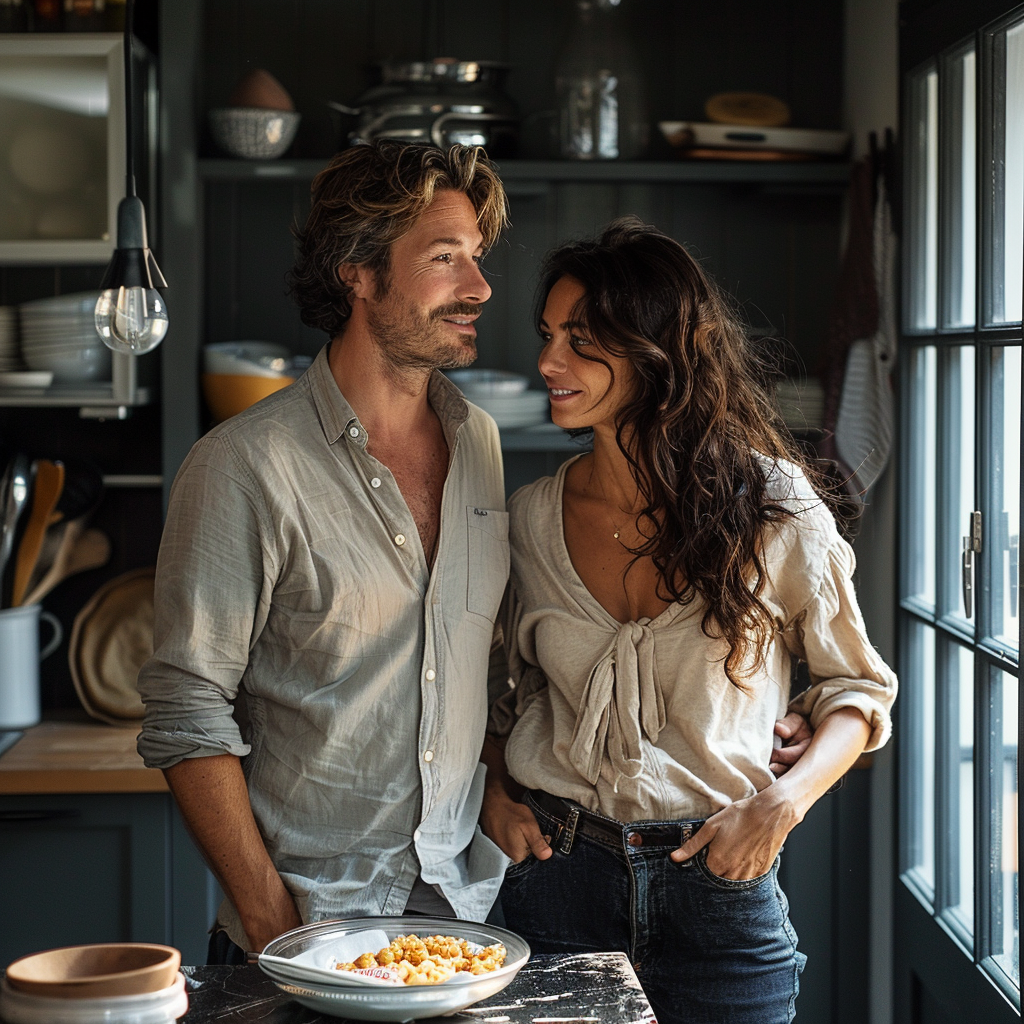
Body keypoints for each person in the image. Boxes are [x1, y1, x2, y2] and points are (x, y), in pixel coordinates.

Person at [480, 218, 898, 1024]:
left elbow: (858, 687)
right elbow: (499, 696)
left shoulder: (775, 509)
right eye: (548, 335)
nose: (547, 362)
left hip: (721, 882)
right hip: (555, 880)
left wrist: (782, 805)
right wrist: (495, 794)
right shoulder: (530, 519)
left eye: (581, 340)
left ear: (656, 351)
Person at [136, 140, 514, 961]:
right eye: (444, 257)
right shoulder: (244, 465)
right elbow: (186, 714)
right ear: (359, 270)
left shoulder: (478, 443)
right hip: (306, 930)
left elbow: (468, 667)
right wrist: (276, 925)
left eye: (477, 258)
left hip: (461, 921)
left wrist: (498, 781)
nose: (479, 288)